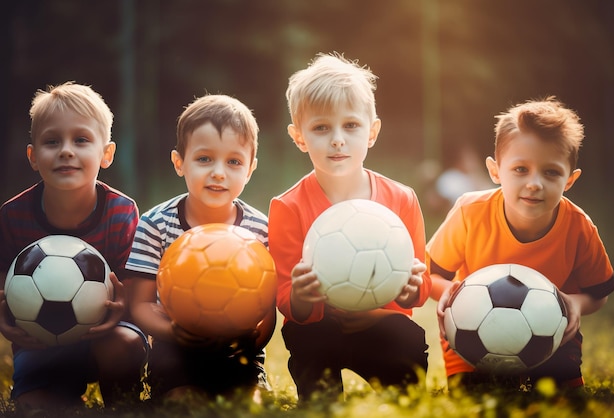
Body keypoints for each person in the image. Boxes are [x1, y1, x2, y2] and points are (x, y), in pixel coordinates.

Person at [267, 53, 431, 403]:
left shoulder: (402, 199)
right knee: (310, 336)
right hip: (320, 327)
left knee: (407, 336)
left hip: (381, 324)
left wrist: (409, 290)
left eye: (351, 126)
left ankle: (402, 398)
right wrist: (300, 295)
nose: (337, 139)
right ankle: (321, 400)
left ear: (372, 132)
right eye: (321, 128)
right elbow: (285, 297)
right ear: (300, 138)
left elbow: (420, 283)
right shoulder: (288, 207)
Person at [427, 97, 614, 392]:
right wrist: (449, 291)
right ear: (494, 171)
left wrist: (576, 305)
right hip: (470, 332)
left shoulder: (579, 226)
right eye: (520, 170)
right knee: (476, 400)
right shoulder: (469, 212)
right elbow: (431, 274)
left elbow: (599, 293)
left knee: (563, 397)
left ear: (570, 180)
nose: (534, 183)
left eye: (551, 172)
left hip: (550, 335)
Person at [0, 82, 149, 411]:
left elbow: (135, 286)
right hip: (40, 340)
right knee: (36, 408)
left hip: (110, 332)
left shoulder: (121, 212)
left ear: (106, 154)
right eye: (52, 141)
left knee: (122, 344)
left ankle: (122, 397)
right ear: (33, 156)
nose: (66, 150)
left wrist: (122, 305)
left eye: (81, 140)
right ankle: (63, 394)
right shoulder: (13, 215)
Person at [125, 94, 274, 403]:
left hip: (238, 349)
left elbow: (266, 311)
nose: (219, 172)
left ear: (250, 169)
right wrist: (173, 332)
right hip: (175, 348)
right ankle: (173, 386)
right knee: (182, 402)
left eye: (233, 161)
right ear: (180, 163)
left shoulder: (260, 229)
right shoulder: (155, 224)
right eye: (204, 159)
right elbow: (138, 305)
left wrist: (248, 339)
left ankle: (252, 380)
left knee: (248, 404)